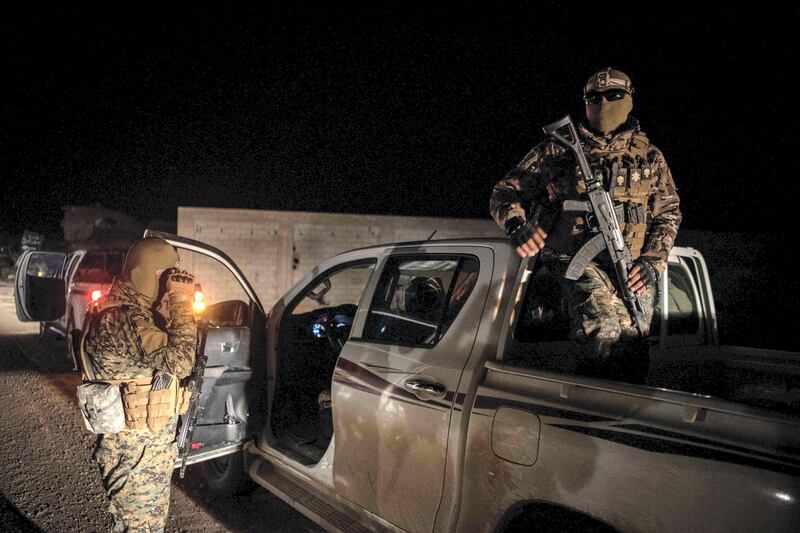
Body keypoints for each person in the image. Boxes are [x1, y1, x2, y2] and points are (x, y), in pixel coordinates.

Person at [490, 67, 682, 374]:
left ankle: (624, 410)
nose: (602, 103)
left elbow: (668, 212)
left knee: (635, 339)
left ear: (629, 99)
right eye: (593, 97)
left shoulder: (649, 157)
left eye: (613, 95)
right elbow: (504, 191)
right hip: (572, 257)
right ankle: (594, 408)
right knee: (604, 334)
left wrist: (652, 261)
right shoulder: (559, 149)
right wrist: (517, 225)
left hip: (630, 264)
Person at [82, 237, 197, 532]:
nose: (169, 284)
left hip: (143, 454)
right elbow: (182, 360)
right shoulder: (121, 319)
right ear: (143, 274)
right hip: (135, 457)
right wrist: (183, 304)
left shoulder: (135, 316)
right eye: (164, 276)